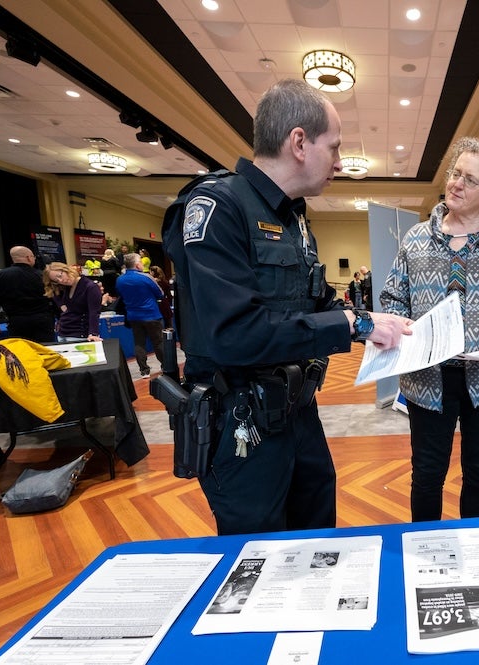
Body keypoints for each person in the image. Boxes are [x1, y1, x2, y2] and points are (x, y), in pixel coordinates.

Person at [165, 78, 411, 535]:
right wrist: (352, 325)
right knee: (257, 556)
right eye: (334, 148)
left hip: (297, 411)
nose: (340, 162)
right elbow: (237, 333)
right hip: (242, 423)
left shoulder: (294, 217)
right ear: (299, 142)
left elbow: (311, 301)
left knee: (318, 540)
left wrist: (371, 320)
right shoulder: (218, 206)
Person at [381, 136, 479, 522]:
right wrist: (404, 324)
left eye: (470, 180)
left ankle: (476, 545)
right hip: (427, 378)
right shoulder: (417, 238)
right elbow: (392, 297)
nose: (456, 183)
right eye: (456, 173)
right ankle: (423, 549)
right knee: (426, 475)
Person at [0, 246, 55, 343]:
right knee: (45, 351)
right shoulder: (42, 276)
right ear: (29, 257)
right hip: (43, 321)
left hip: (16, 322)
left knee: (21, 352)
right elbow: (53, 298)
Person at [115, 253, 164, 378]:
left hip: (133, 316)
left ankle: (144, 370)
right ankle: (165, 365)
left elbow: (120, 294)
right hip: (151, 314)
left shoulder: (120, 279)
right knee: (158, 342)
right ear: (137, 265)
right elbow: (160, 293)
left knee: (139, 343)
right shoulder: (145, 277)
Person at [43, 262, 102, 342]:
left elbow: (94, 312)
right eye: (56, 280)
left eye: (60, 276)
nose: (61, 280)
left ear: (66, 270)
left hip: (80, 333)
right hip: (63, 332)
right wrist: (61, 305)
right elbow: (51, 290)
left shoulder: (90, 287)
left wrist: (93, 333)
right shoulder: (65, 288)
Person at [149, 265, 174, 330]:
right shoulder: (165, 282)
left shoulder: (152, 283)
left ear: (153, 273)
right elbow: (169, 296)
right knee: (169, 327)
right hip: (166, 307)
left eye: (150, 272)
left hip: (157, 308)